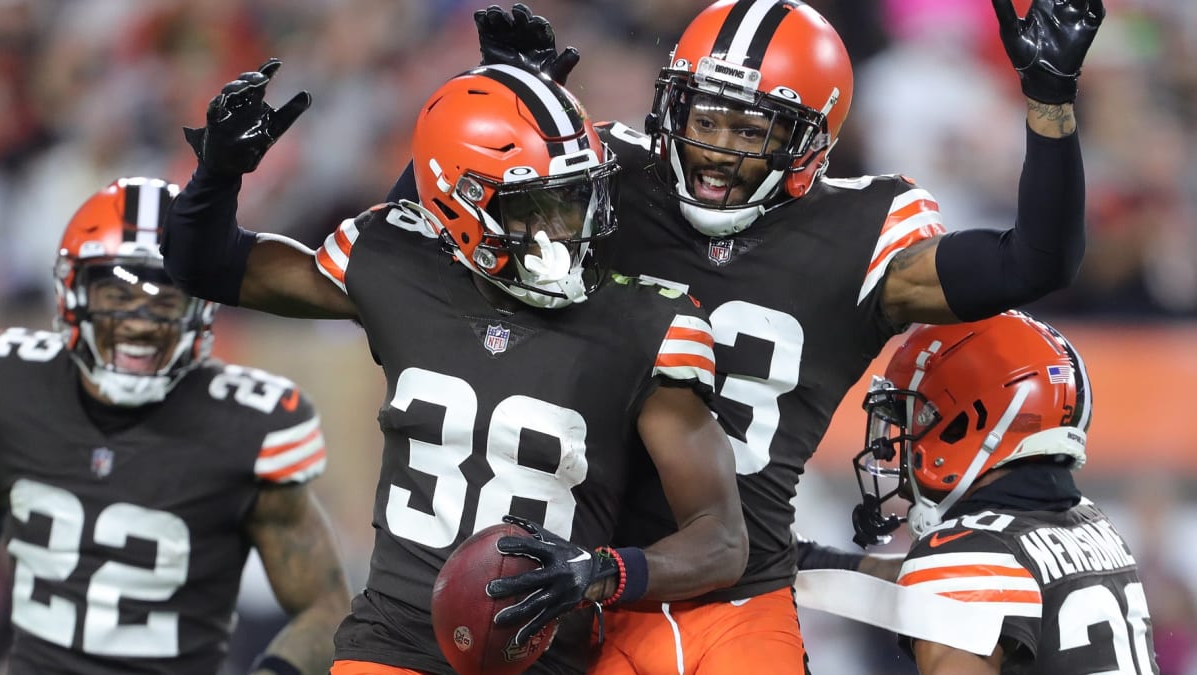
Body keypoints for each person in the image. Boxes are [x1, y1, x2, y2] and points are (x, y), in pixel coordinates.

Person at [382, 1, 1104, 672]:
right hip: (586, 586)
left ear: (809, 138)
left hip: (739, 590)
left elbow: (1034, 260)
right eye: (704, 116)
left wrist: (1049, 105)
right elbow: (433, 230)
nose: (717, 150)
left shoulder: (863, 232)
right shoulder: (611, 179)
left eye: (750, 129)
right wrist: (500, 97)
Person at [160, 59, 748, 674]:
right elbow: (205, 267)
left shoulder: (644, 321)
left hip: (545, 658)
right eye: (534, 207)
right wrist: (218, 175)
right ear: (460, 204)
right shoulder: (396, 262)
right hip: (391, 646)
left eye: (574, 198)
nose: (564, 229)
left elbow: (722, 539)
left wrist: (602, 572)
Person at [0, 177, 352, 675]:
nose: (140, 322)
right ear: (71, 292)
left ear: (201, 309)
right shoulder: (14, 387)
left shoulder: (246, 427)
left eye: (165, 302)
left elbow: (325, 606)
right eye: (118, 297)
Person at [849, 311, 1159, 674]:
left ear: (966, 421)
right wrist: (800, 561)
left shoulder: (965, 553)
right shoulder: (1093, 527)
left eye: (918, 419)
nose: (904, 445)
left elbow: (963, 569)